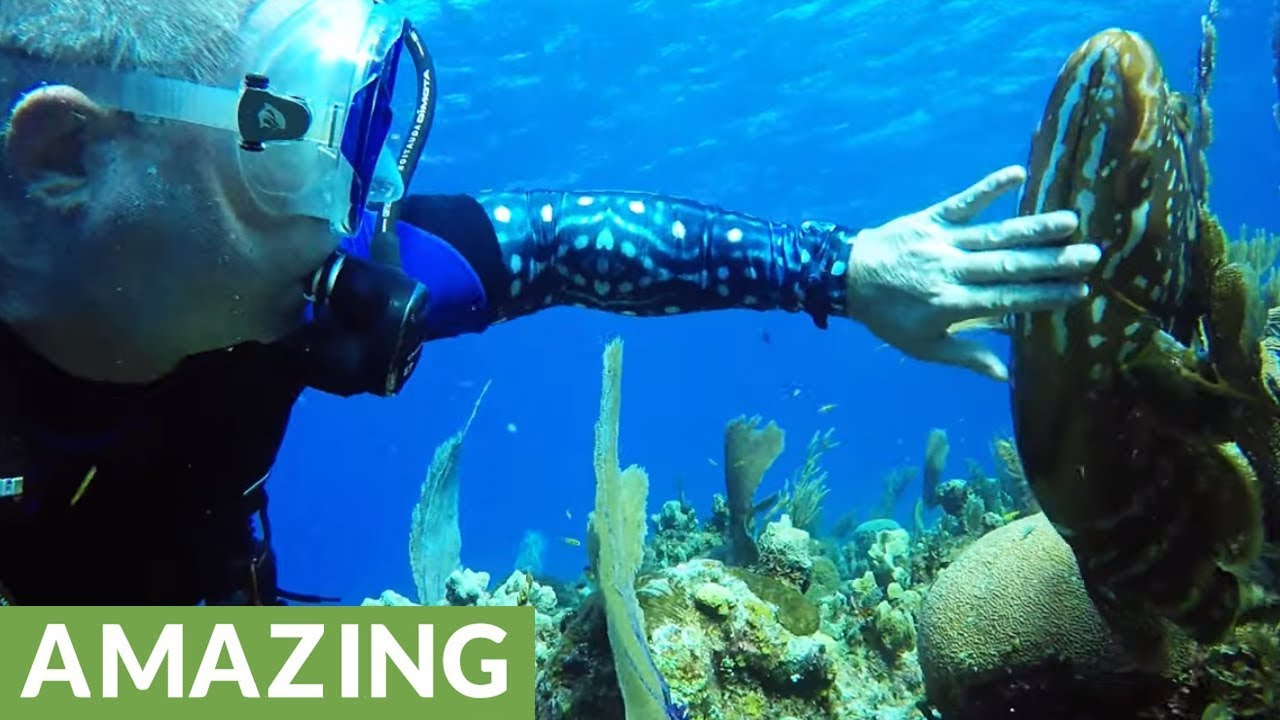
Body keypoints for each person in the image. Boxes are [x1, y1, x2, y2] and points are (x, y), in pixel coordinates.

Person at [0, 0, 1100, 605]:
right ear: (66, 162)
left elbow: (567, 240)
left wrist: (841, 268)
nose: (341, 211)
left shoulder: (281, 281)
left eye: (355, 128)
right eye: (286, 137)